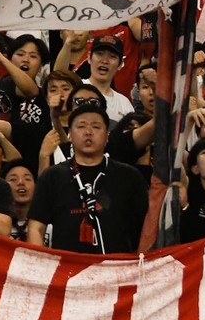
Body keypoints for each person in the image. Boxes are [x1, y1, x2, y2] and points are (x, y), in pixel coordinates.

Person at [27, 100, 149, 253]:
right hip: (67, 270)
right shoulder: (52, 176)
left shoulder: (129, 176)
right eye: (81, 126)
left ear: (107, 136)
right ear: (70, 134)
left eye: (96, 127)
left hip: (117, 270)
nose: (88, 132)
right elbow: (36, 228)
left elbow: (146, 228)